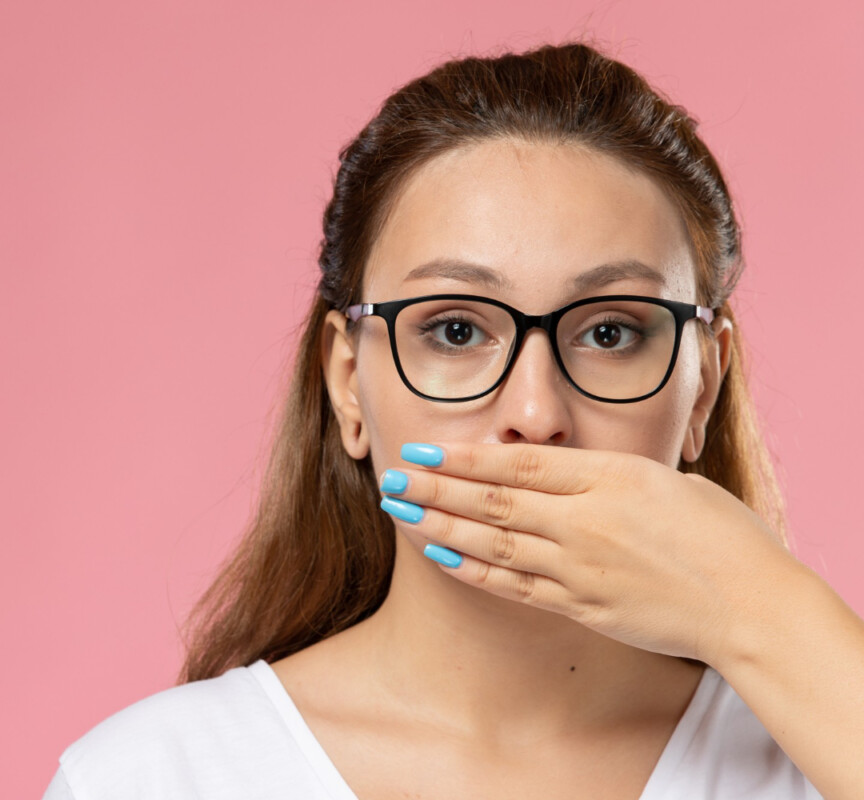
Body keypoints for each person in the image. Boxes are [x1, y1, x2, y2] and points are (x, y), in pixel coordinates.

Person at [43, 43, 864, 799]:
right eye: (457, 330)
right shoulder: (151, 778)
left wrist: (757, 609)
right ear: (348, 382)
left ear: (705, 386)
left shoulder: (815, 759)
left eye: (610, 332)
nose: (536, 416)